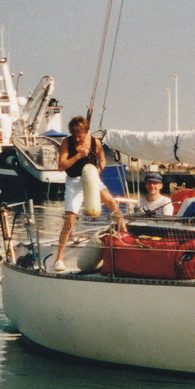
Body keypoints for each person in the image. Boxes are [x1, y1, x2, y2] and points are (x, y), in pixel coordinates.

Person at [52, 115, 124, 272]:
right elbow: (61, 166)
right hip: (75, 181)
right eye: (75, 135)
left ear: (86, 132)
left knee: (111, 202)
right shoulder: (67, 142)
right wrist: (77, 155)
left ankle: (125, 233)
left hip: (91, 177)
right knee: (70, 219)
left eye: (81, 135)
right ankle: (59, 258)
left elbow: (103, 160)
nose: (78, 139)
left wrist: (98, 170)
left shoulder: (94, 142)